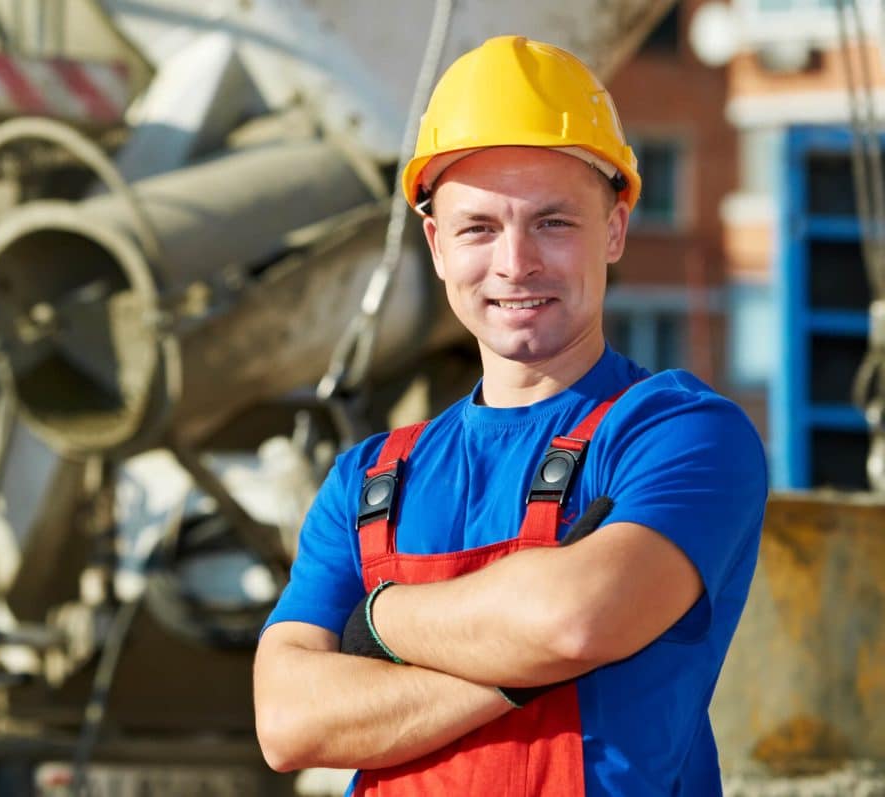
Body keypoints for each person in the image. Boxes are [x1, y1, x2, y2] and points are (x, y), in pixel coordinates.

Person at [253, 34, 767, 796]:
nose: (515, 262)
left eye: (554, 222)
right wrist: (520, 670)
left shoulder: (678, 434)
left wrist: (381, 620)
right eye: (479, 227)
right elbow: (288, 721)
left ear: (616, 227)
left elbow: (575, 622)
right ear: (434, 243)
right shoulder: (369, 480)